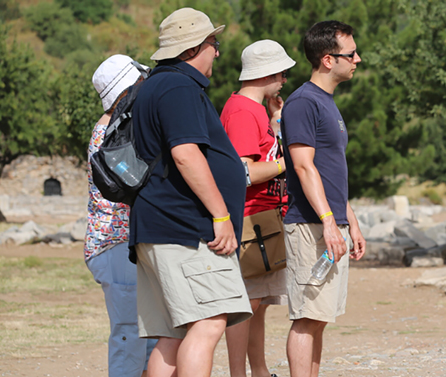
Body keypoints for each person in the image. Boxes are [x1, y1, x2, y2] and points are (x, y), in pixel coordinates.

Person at [129, 7, 252, 377]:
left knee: (173, 336)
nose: (217, 51)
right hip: (185, 229)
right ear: (191, 49)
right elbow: (185, 154)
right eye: (213, 43)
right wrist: (220, 215)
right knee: (210, 321)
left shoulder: (153, 84)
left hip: (158, 225)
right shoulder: (179, 86)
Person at [281, 20, 366, 377]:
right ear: (328, 60)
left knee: (320, 317)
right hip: (310, 225)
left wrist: (351, 222)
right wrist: (329, 223)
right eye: (351, 54)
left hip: (331, 224)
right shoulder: (303, 103)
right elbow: (303, 167)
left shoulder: (326, 103)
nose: (358, 60)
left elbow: (331, 170)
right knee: (307, 316)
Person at [220, 39, 296, 377]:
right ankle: (240, 373)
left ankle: (260, 371)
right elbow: (244, 171)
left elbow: (261, 154)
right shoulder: (242, 111)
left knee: (259, 304)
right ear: (268, 72)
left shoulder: (258, 109)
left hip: (264, 218)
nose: (283, 79)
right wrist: (286, 164)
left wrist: (277, 120)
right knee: (245, 305)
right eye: (281, 72)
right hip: (252, 218)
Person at [86, 54, 158, 377]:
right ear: (125, 91)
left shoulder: (114, 129)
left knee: (147, 339)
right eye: (140, 82)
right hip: (116, 246)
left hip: (121, 246)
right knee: (130, 339)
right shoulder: (109, 135)